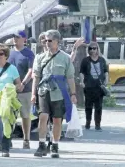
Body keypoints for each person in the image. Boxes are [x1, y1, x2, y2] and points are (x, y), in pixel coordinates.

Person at [32, 29, 76, 158]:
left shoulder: (65, 58)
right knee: (43, 117)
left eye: (50, 40)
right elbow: (36, 76)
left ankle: (55, 146)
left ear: (57, 41)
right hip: (43, 91)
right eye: (45, 40)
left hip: (59, 92)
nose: (47, 43)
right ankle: (41, 145)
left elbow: (70, 77)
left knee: (57, 120)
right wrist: (33, 94)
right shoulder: (40, 57)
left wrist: (73, 93)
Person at [8, 30, 34, 149]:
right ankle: (8, 138)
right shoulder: (10, 53)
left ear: (24, 39)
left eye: (17, 37)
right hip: (11, 90)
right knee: (10, 115)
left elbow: (31, 70)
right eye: (14, 37)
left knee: (25, 115)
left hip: (25, 89)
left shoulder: (28, 53)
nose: (15, 39)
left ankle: (26, 139)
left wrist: (23, 83)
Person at [80, 41, 108, 130]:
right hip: (88, 86)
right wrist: (82, 82)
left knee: (98, 106)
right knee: (88, 106)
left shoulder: (102, 60)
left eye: (94, 48)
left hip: (99, 87)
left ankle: (97, 124)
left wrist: (106, 80)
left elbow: (105, 71)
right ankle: (88, 122)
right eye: (90, 48)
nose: (92, 50)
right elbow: (81, 72)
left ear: (97, 49)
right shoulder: (85, 60)